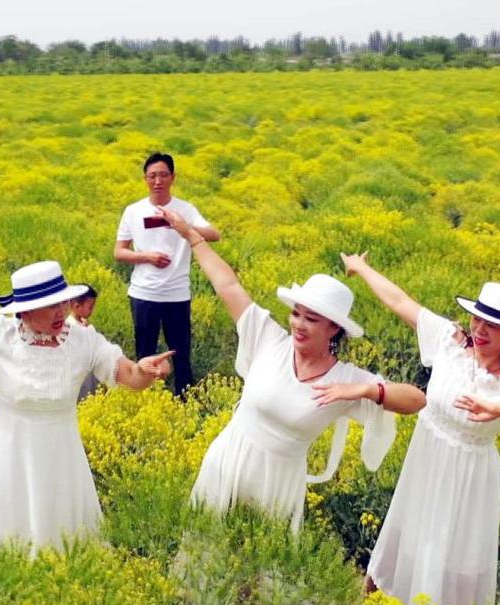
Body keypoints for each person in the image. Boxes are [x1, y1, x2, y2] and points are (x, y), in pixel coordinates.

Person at [151, 210, 426, 533]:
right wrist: (192, 237)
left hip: (278, 485)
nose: (298, 324)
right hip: (228, 461)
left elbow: (416, 400)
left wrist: (368, 391)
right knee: (206, 556)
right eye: (296, 314)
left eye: (311, 319)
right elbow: (227, 285)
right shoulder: (269, 339)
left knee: (261, 568)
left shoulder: (346, 379)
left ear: (334, 328)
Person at [342, 252, 500, 605]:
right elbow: (400, 301)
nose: (480, 330)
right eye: (477, 319)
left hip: (471, 476)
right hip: (427, 460)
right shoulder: (449, 342)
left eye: (492, 326)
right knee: (402, 534)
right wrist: (361, 267)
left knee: (457, 557)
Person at [0, 245, 175, 549]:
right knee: (9, 538)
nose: (60, 312)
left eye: (63, 302)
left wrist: (146, 372)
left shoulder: (84, 340)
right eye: (49, 305)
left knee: (66, 535)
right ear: (24, 310)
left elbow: (130, 376)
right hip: (10, 452)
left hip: (62, 453)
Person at [114, 152, 221, 396]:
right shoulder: (133, 211)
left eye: (163, 175)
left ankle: (185, 401)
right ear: (145, 179)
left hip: (176, 294)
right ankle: (145, 399)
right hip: (143, 294)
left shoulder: (185, 209)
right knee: (145, 353)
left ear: (173, 177)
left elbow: (214, 234)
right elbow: (119, 252)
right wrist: (147, 257)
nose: (158, 181)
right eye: (152, 176)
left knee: (181, 354)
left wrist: (183, 226)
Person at [67, 284, 101, 401]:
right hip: (81, 374)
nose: (92, 311)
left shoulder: (82, 323)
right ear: (77, 306)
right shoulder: (72, 328)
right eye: (90, 307)